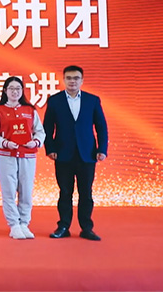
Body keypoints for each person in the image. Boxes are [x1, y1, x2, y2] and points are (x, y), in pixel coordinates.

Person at [43, 65, 108, 241]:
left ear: (82, 80)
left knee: (86, 193)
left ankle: (86, 228)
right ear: (64, 80)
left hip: (87, 154)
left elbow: (101, 127)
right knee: (65, 192)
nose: (72, 81)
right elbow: (47, 127)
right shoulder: (54, 101)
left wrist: (102, 149)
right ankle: (63, 226)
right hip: (62, 154)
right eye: (69, 78)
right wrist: (50, 148)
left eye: (76, 78)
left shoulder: (92, 100)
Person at [0, 76, 45, 240]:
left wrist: (35, 142)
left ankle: (24, 223)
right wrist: (4, 143)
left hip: (28, 156)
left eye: (18, 88)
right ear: (5, 91)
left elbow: (40, 131)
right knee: (9, 191)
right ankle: (14, 225)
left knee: (26, 191)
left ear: (22, 91)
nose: (15, 92)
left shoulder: (30, 110)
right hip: (7, 156)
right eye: (11, 88)